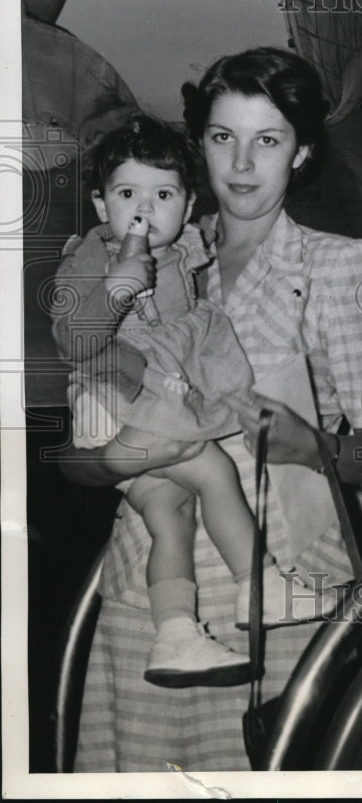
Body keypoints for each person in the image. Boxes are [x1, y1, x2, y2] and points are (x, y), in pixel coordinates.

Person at [61, 48, 362, 771]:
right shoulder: (145, 249)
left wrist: (308, 445)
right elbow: (82, 438)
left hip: (278, 607)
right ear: (197, 143)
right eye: (221, 137)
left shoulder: (336, 265)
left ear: (300, 153)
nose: (241, 163)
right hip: (150, 602)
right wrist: (105, 460)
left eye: (267, 140)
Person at [53, 118, 257, 688]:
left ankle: (175, 636)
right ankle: (258, 586)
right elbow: (72, 339)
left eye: (163, 195)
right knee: (214, 471)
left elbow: (196, 263)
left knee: (172, 515)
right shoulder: (90, 258)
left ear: (188, 204)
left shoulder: (182, 250)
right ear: (101, 206)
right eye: (126, 195)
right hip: (114, 399)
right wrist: (116, 287)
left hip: (142, 408)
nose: (144, 211)